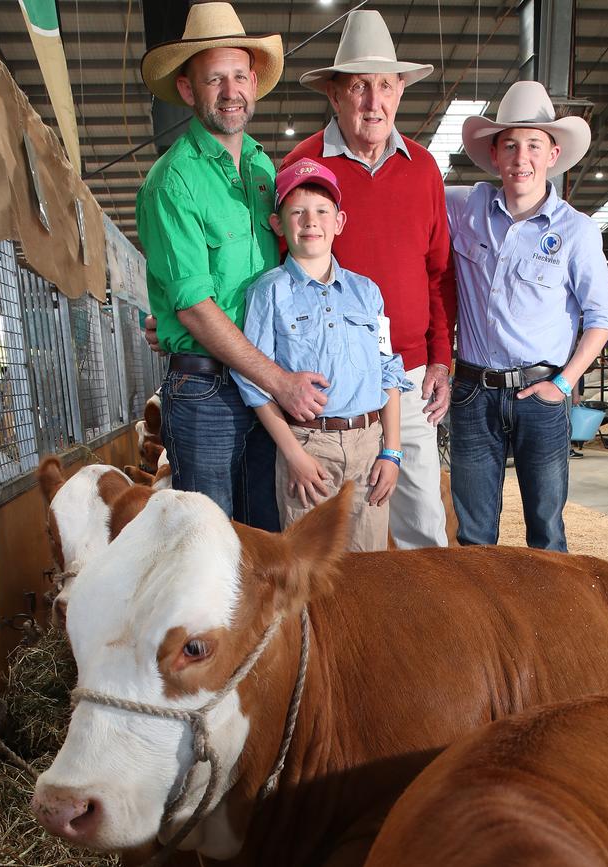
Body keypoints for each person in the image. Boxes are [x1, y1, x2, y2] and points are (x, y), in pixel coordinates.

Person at [136, 2, 329, 528]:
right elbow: (196, 309)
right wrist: (281, 381)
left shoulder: (266, 170)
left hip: (262, 388)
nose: (230, 91)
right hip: (206, 391)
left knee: (267, 537)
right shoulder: (172, 181)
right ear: (187, 89)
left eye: (239, 76)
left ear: (254, 82)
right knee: (213, 545)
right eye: (214, 78)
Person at [280, 10, 457, 549]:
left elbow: (438, 273)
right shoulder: (303, 165)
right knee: (336, 539)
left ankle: (422, 636)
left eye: (385, 85)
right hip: (332, 389)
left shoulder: (424, 168)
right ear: (334, 94)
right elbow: (276, 275)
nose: (373, 101)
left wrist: (441, 360)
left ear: (401, 90)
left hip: (405, 376)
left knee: (423, 522)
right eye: (358, 86)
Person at [446, 80, 608, 551]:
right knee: (474, 536)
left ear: (552, 154)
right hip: (471, 394)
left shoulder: (577, 232)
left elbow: (603, 316)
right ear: (495, 154)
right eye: (511, 145)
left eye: (533, 145)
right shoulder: (464, 206)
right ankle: (483, 625)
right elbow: (408, 206)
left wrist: (562, 385)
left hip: (539, 398)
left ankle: (550, 624)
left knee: (546, 531)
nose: (521, 157)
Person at [232, 159, 412, 551]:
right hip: (309, 450)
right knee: (309, 572)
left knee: (368, 573)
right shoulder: (268, 292)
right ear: (278, 225)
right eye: (297, 212)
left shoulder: (367, 292)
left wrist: (392, 452)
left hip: (369, 450)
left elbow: (388, 372)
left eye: (321, 211)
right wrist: (293, 454)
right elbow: (253, 382)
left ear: (339, 222)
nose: (310, 221)